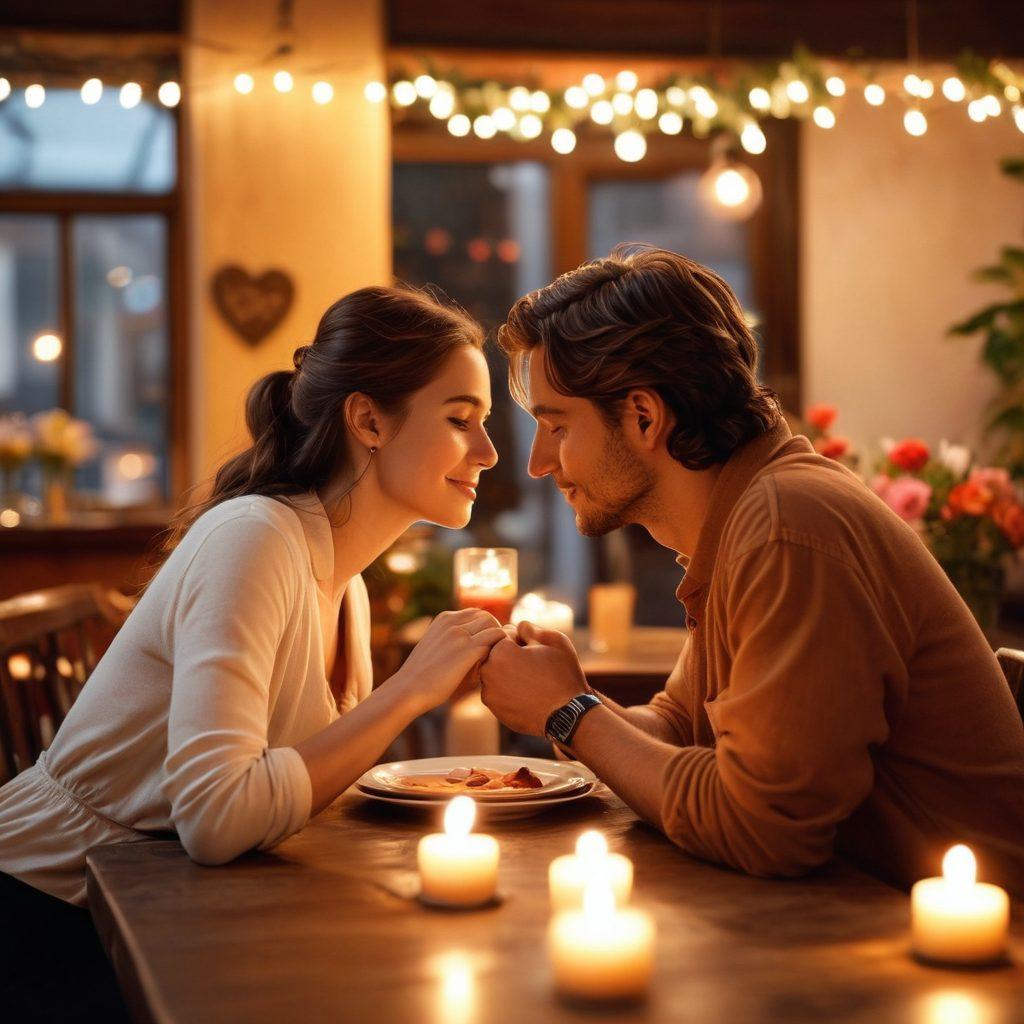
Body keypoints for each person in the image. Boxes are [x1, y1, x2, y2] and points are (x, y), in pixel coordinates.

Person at [0, 284, 506, 1020]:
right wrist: (409, 692)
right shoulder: (256, 538)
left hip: (162, 913)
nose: (489, 452)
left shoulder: (345, 582)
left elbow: (289, 796)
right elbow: (214, 820)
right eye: (462, 420)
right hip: (47, 918)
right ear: (367, 419)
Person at [479, 244, 1024, 895]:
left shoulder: (788, 525)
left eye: (557, 426)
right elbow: (680, 732)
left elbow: (765, 826)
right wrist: (566, 699)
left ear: (644, 416)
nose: (540, 463)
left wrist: (570, 713)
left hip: (979, 959)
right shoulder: (747, 517)